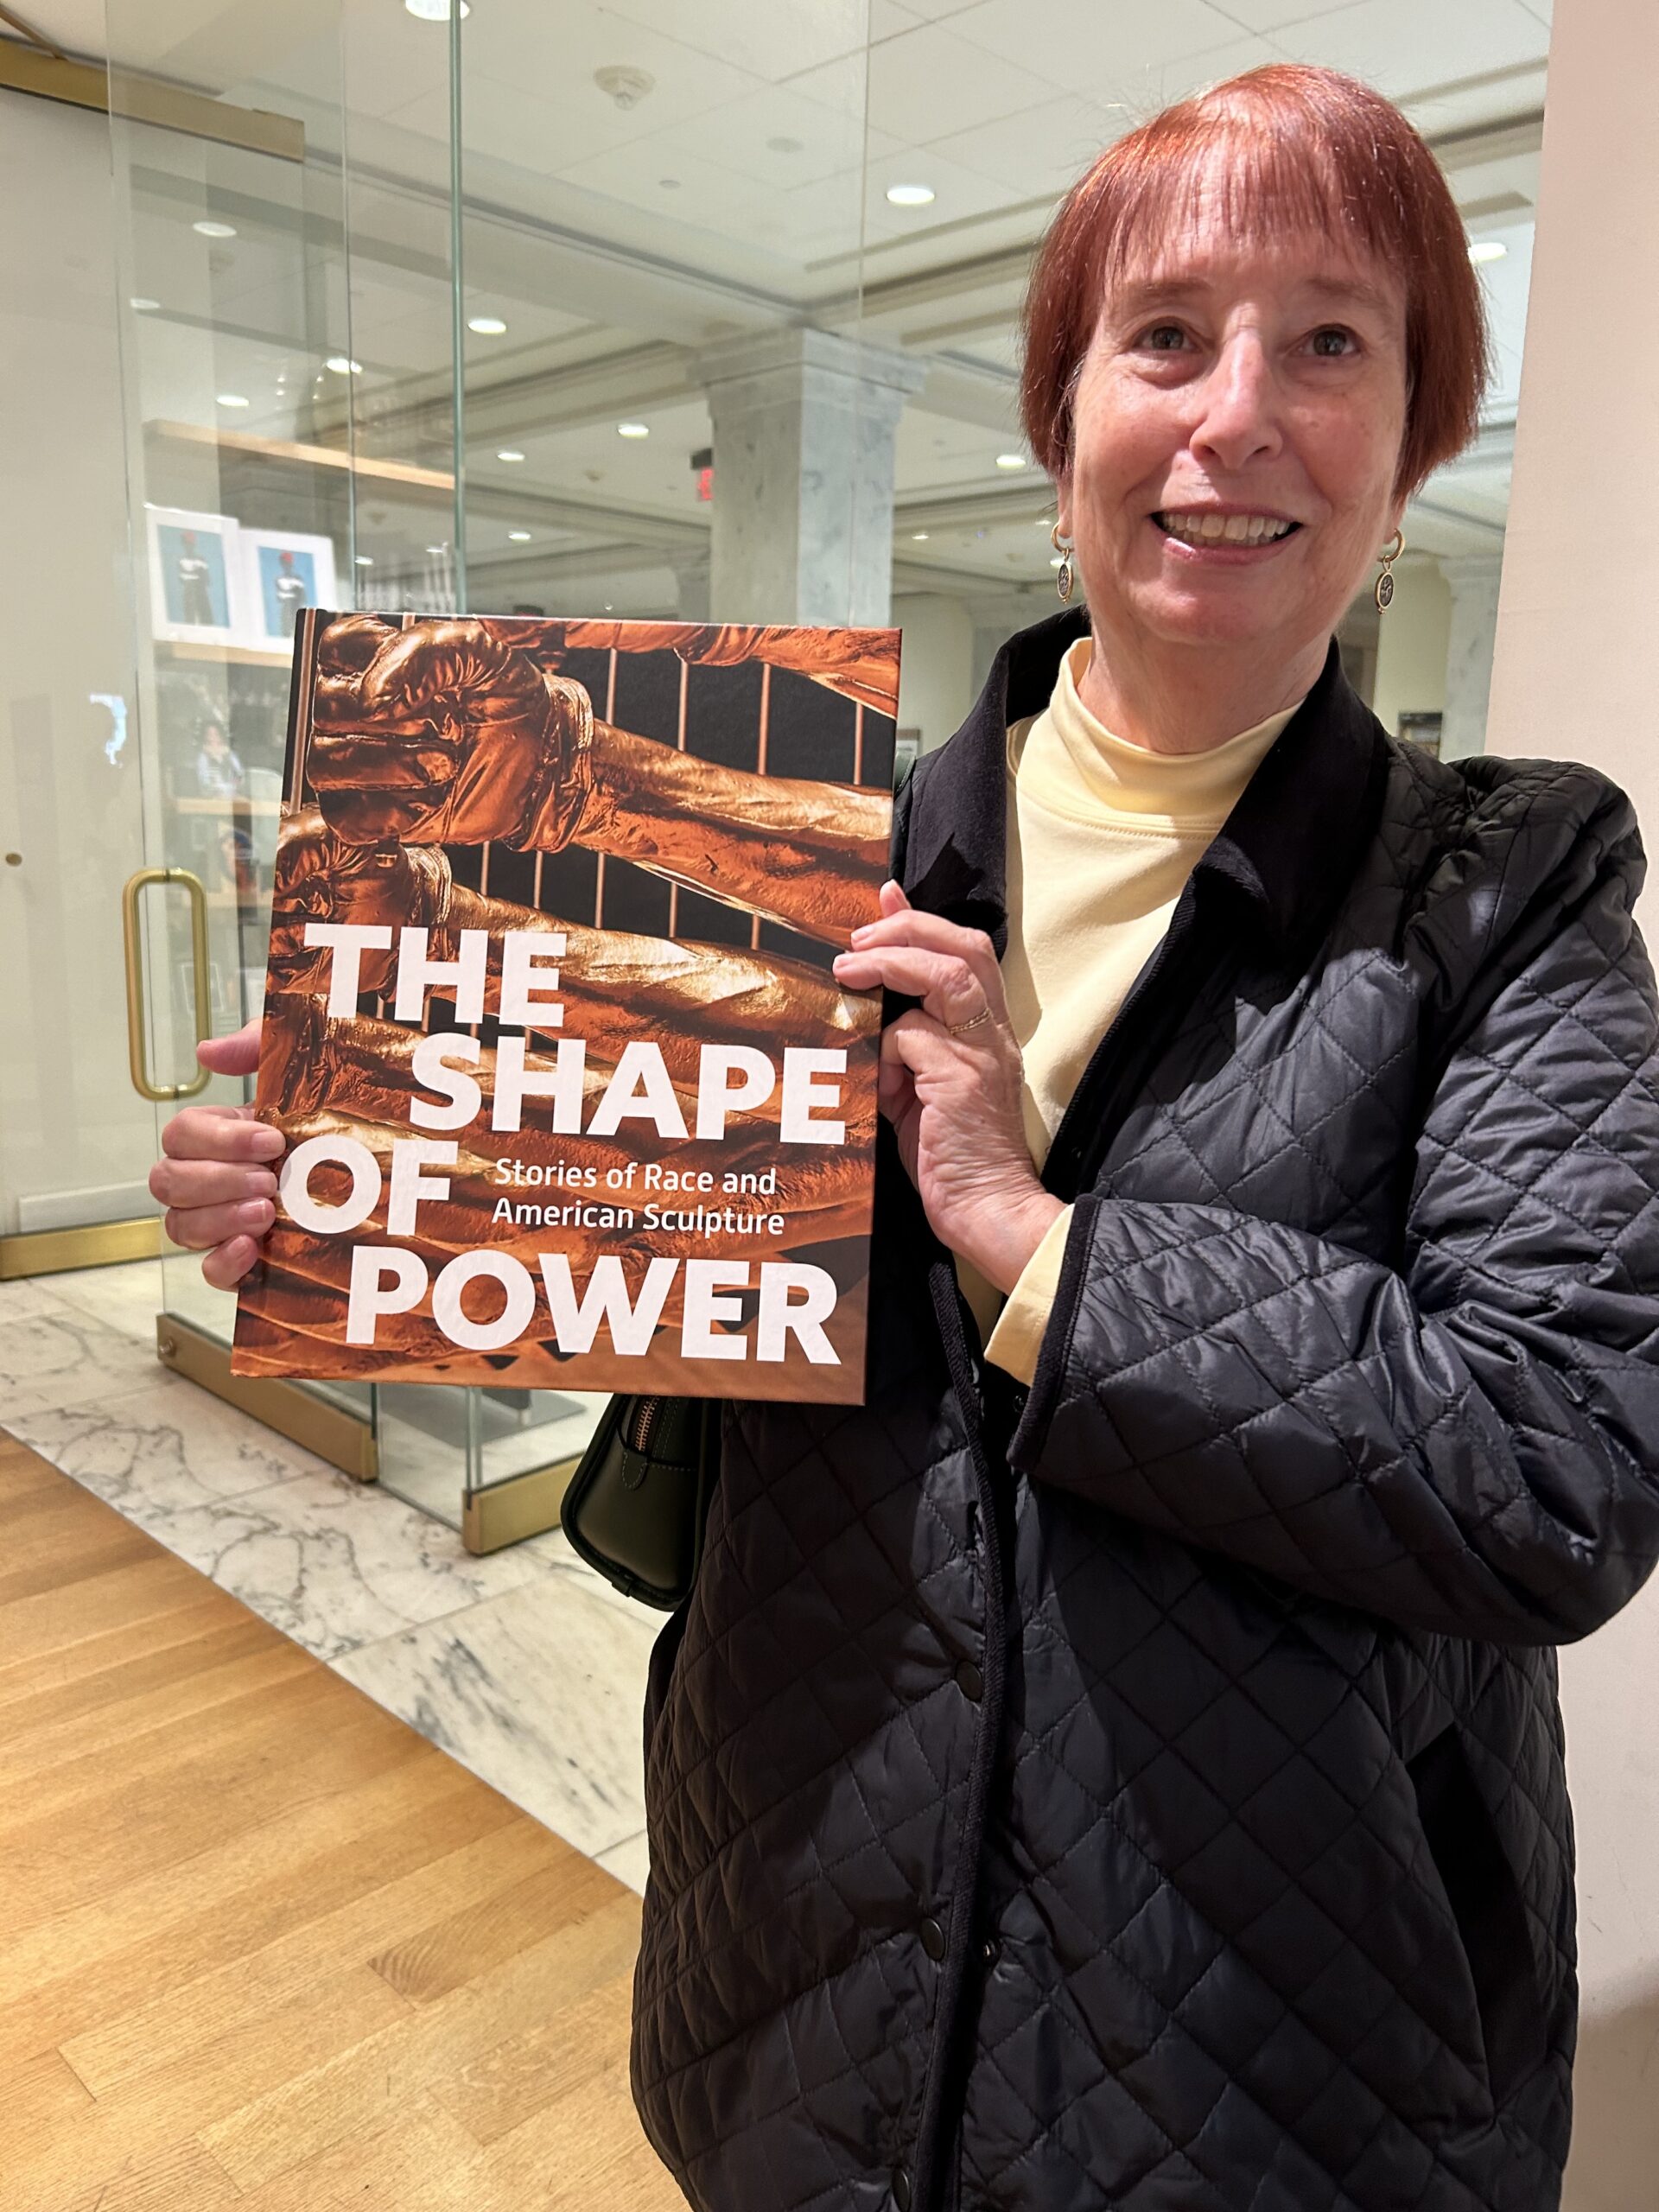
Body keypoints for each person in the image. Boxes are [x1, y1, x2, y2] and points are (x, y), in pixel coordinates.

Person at [151, 63, 1659, 2212]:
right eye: (1165, 335)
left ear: (1414, 443)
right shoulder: (769, 832)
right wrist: (369, 1177)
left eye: (1330, 339)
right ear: (1062, 428)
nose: (1237, 411)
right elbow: (663, 1289)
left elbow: (1556, 1459)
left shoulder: (1501, 886)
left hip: (1284, 2062)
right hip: (812, 1961)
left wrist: (1027, 1235)